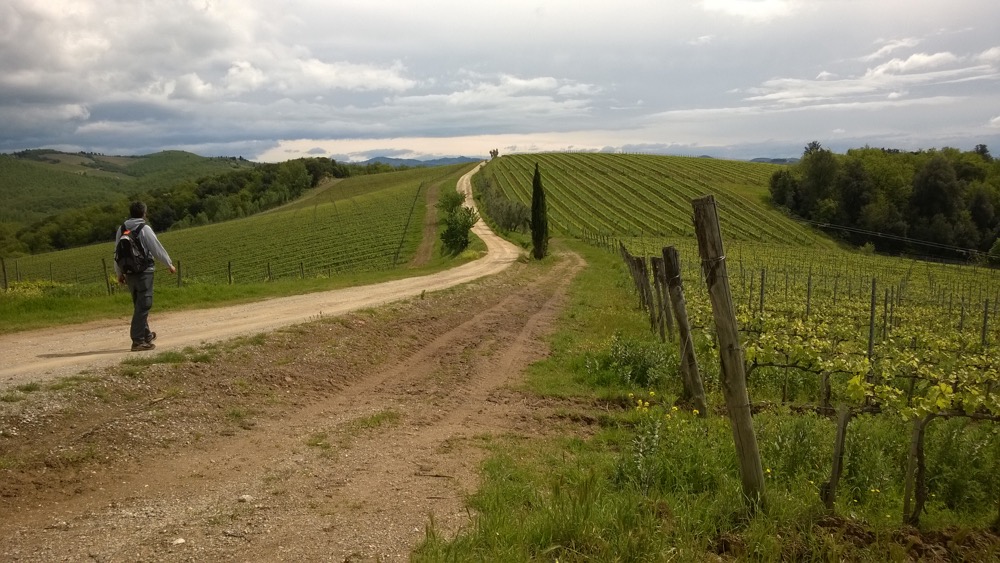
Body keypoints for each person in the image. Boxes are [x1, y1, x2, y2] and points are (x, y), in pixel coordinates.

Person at [114, 201, 176, 351]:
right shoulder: (144, 228)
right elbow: (156, 248)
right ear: (144, 213)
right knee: (145, 304)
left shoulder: (121, 229)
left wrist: (119, 273)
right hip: (144, 271)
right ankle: (138, 340)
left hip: (129, 273)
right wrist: (169, 264)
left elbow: (117, 253)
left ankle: (146, 335)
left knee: (139, 304)